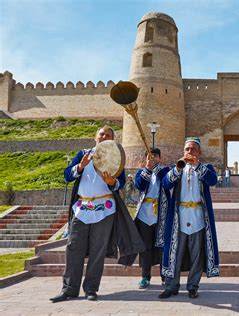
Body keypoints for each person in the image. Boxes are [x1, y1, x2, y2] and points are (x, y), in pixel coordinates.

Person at [50, 126, 145, 303]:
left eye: (107, 135)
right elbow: (67, 176)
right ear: (95, 137)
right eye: (101, 134)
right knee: (73, 248)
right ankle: (69, 289)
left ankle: (91, 289)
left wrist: (112, 182)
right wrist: (80, 166)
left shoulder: (115, 156)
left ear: (112, 139)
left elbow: (120, 184)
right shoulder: (83, 154)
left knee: (97, 250)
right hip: (82, 208)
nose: (103, 136)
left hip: (104, 209)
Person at [159, 137, 220, 299]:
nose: (189, 152)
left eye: (193, 149)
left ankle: (193, 286)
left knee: (197, 254)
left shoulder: (205, 167)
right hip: (179, 217)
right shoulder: (176, 167)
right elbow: (165, 184)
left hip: (198, 216)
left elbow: (213, 181)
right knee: (174, 253)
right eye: (187, 149)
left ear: (199, 152)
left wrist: (197, 165)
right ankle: (171, 285)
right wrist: (177, 170)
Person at [125, 147, 170, 289]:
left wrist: (156, 169)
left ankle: (165, 276)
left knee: (162, 246)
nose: (153, 158)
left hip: (161, 213)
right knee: (145, 247)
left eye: (155, 156)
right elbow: (139, 185)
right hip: (145, 213)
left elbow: (168, 183)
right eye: (150, 156)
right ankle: (145, 276)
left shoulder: (165, 171)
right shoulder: (141, 172)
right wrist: (148, 169)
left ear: (160, 158)